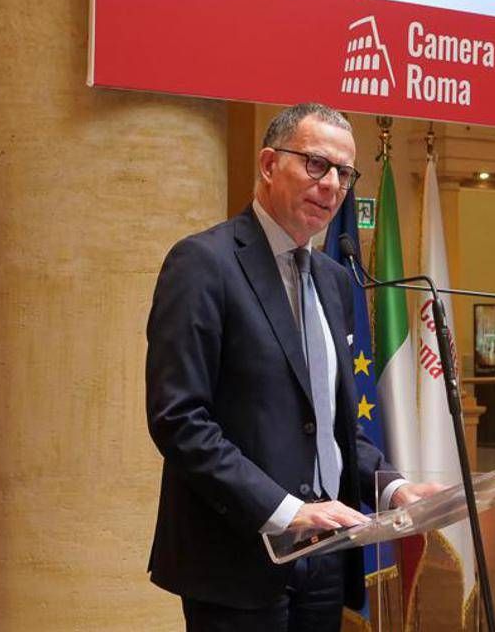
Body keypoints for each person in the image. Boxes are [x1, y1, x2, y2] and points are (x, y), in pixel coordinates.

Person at [145, 103, 437, 631]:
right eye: (316, 164)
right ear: (267, 164)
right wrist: (285, 511)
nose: (332, 185)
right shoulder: (203, 264)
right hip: (237, 557)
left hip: (325, 553)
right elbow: (179, 419)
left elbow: (330, 423)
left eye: (344, 173)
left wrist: (394, 488)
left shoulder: (334, 279)